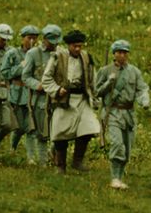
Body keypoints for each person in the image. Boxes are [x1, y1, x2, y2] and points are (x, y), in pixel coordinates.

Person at [41, 29, 102, 173]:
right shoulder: (57, 57)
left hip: (82, 99)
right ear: (68, 45)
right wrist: (56, 90)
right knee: (60, 133)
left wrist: (96, 98)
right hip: (63, 100)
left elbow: (93, 80)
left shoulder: (86, 57)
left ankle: (77, 161)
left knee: (89, 129)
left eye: (80, 46)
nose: (78, 49)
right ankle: (61, 166)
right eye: (75, 46)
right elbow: (46, 78)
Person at [93, 39, 149, 189]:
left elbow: (142, 89)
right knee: (117, 144)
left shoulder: (134, 72)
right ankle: (114, 178)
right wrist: (109, 83)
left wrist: (144, 101)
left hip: (129, 113)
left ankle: (120, 177)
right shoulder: (106, 71)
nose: (122, 55)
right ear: (114, 54)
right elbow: (96, 91)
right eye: (119, 52)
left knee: (127, 148)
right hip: (112, 112)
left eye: (125, 53)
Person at [22, 24, 62, 164]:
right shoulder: (33, 53)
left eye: (56, 41)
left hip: (57, 98)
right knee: (41, 134)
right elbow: (25, 76)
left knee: (59, 132)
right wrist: (35, 84)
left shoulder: (62, 53)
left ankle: (55, 155)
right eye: (50, 41)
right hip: (39, 100)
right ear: (44, 39)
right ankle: (43, 164)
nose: (53, 44)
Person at [5, 25, 41, 159]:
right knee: (19, 127)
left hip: (34, 95)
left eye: (35, 38)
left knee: (31, 128)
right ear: (23, 38)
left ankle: (30, 158)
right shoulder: (13, 53)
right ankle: (12, 148)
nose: (32, 41)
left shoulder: (39, 55)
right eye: (29, 38)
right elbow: (5, 73)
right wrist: (19, 68)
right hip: (18, 94)